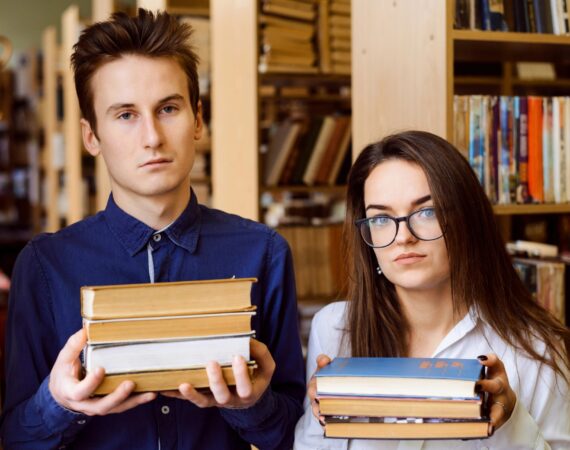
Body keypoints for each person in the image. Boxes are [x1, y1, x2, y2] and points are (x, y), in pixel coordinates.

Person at [0, 9, 305, 450]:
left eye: (168, 108)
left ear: (197, 119)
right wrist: (58, 403)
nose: (152, 137)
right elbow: (15, 438)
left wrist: (253, 406)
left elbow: (295, 435)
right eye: (125, 115)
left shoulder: (264, 253)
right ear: (91, 137)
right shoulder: (45, 266)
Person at [294, 130, 570, 449]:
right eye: (381, 218)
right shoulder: (334, 329)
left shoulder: (534, 349)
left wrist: (510, 423)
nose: (403, 237)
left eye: (427, 212)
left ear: (466, 219)